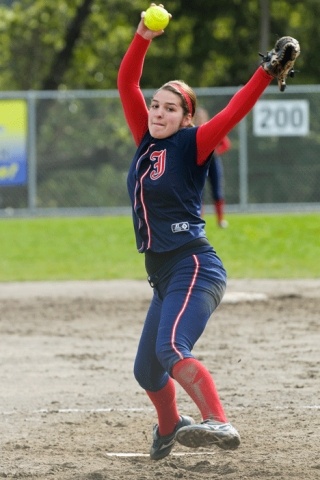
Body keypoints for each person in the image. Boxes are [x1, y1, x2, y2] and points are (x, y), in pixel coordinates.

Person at [117, 4, 300, 461]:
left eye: (170, 108)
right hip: (163, 273)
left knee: (172, 348)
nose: (158, 113)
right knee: (146, 370)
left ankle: (217, 418)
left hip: (194, 264)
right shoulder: (146, 140)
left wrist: (265, 72)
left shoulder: (192, 144)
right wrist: (142, 36)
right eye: (156, 106)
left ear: (186, 118)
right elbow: (126, 83)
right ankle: (170, 425)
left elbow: (235, 110)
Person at [194, 107, 231, 228]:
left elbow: (226, 144)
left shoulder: (211, 129)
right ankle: (199, 220)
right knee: (199, 193)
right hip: (199, 164)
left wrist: (216, 152)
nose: (199, 119)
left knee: (217, 191)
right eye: (197, 117)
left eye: (201, 117)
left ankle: (220, 220)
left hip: (213, 162)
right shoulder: (192, 131)